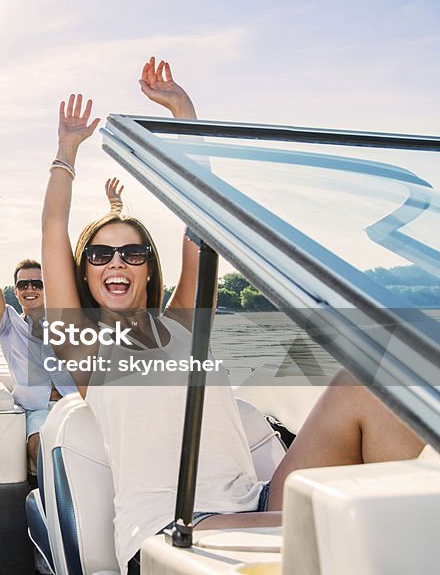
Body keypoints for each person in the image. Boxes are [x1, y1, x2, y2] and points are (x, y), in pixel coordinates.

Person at [41, 58, 425, 574]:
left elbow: (205, 217)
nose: (116, 263)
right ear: (84, 274)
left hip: (257, 505)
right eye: (100, 254)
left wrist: (184, 113)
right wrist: (66, 153)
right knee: (339, 539)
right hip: (172, 531)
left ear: (148, 270)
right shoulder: (85, 347)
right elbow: (52, 231)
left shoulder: (181, 322)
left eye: (132, 254)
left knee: (370, 380)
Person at [0, 179, 119, 472]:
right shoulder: (8, 325)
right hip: (38, 411)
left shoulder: (71, 318)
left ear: (48, 285)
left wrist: (115, 209)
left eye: (37, 283)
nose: (30, 289)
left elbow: (101, 271)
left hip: (80, 405)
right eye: (23, 284)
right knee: (40, 446)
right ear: (15, 291)